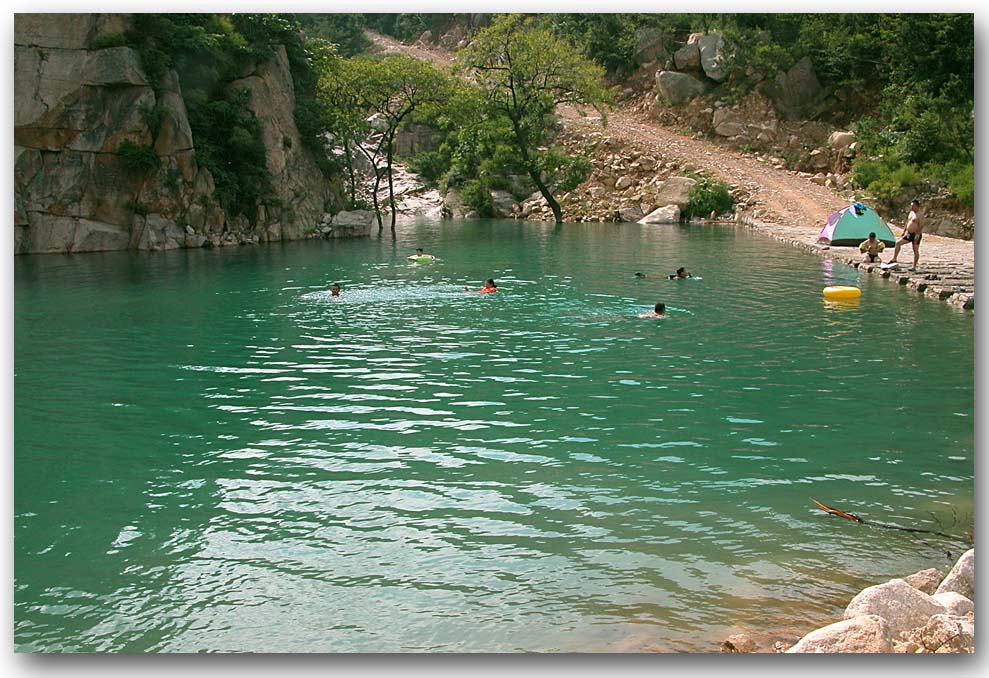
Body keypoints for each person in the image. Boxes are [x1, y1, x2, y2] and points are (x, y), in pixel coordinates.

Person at [890, 200, 924, 270]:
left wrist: (917, 234)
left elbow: (921, 225)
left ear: (917, 206)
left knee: (915, 250)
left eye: (913, 206)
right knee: (898, 243)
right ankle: (894, 258)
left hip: (915, 234)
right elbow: (907, 222)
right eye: (911, 206)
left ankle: (914, 266)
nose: (912, 207)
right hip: (908, 233)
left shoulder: (920, 215)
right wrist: (904, 231)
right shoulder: (911, 213)